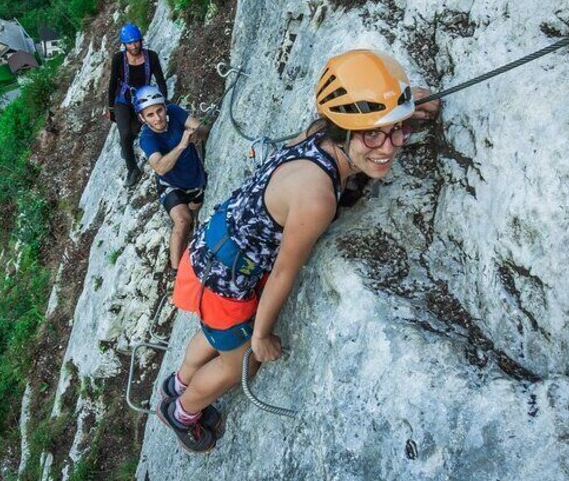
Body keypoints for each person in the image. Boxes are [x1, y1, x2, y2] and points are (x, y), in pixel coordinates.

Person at [158, 49, 441, 453]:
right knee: (240, 361)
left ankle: (179, 381)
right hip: (228, 282)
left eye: (397, 130)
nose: (390, 146)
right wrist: (260, 337)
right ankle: (183, 410)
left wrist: (407, 104)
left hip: (212, 247)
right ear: (344, 130)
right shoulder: (317, 198)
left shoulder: (317, 133)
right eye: (374, 134)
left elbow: (365, 114)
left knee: (213, 331)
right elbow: (283, 273)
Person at [133, 85, 208, 278]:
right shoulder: (147, 138)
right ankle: (176, 271)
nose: (157, 118)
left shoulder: (174, 112)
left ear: (165, 107)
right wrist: (183, 144)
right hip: (171, 185)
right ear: (142, 118)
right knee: (183, 221)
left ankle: (190, 241)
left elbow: (202, 128)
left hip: (195, 180)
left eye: (159, 110)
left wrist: (197, 132)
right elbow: (159, 167)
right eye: (150, 115)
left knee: (194, 212)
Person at [107, 23, 168, 187]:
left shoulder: (151, 57)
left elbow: (161, 81)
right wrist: (110, 107)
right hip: (122, 100)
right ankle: (132, 169)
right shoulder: (119, 59)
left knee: (135, 130)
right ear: (124, 44)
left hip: (143, 101)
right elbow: (113, 82)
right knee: (125, 133)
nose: (133, 46)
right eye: (129, 43)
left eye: (136, 42)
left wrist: (163, 101)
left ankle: (126, 148)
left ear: (141, 41)